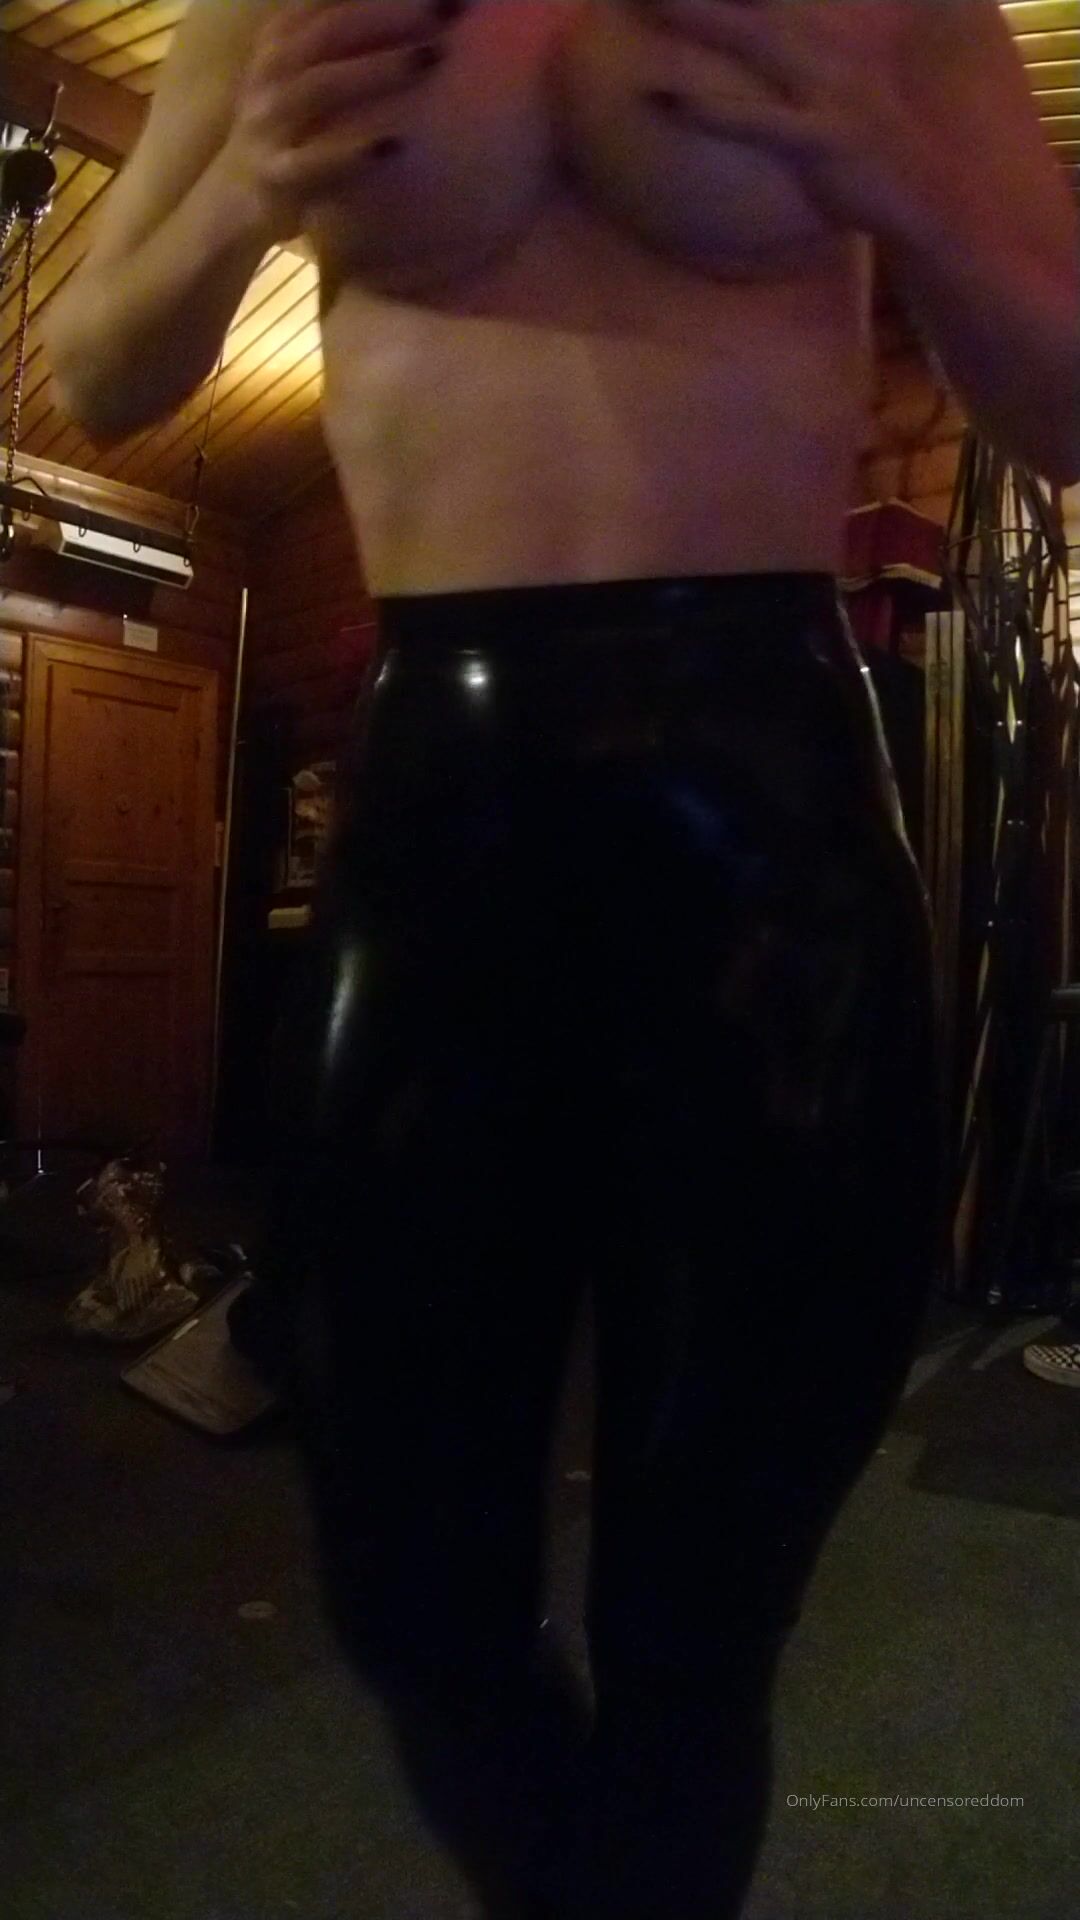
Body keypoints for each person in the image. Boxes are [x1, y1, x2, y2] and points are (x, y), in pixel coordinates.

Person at [47, 4, 1079, 1915]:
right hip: (446, 785)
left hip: (762, 797)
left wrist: (903, 185)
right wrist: (243, 192)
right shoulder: (277, 7)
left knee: (705, 1613)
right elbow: (98, 368)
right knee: (408, 1593)